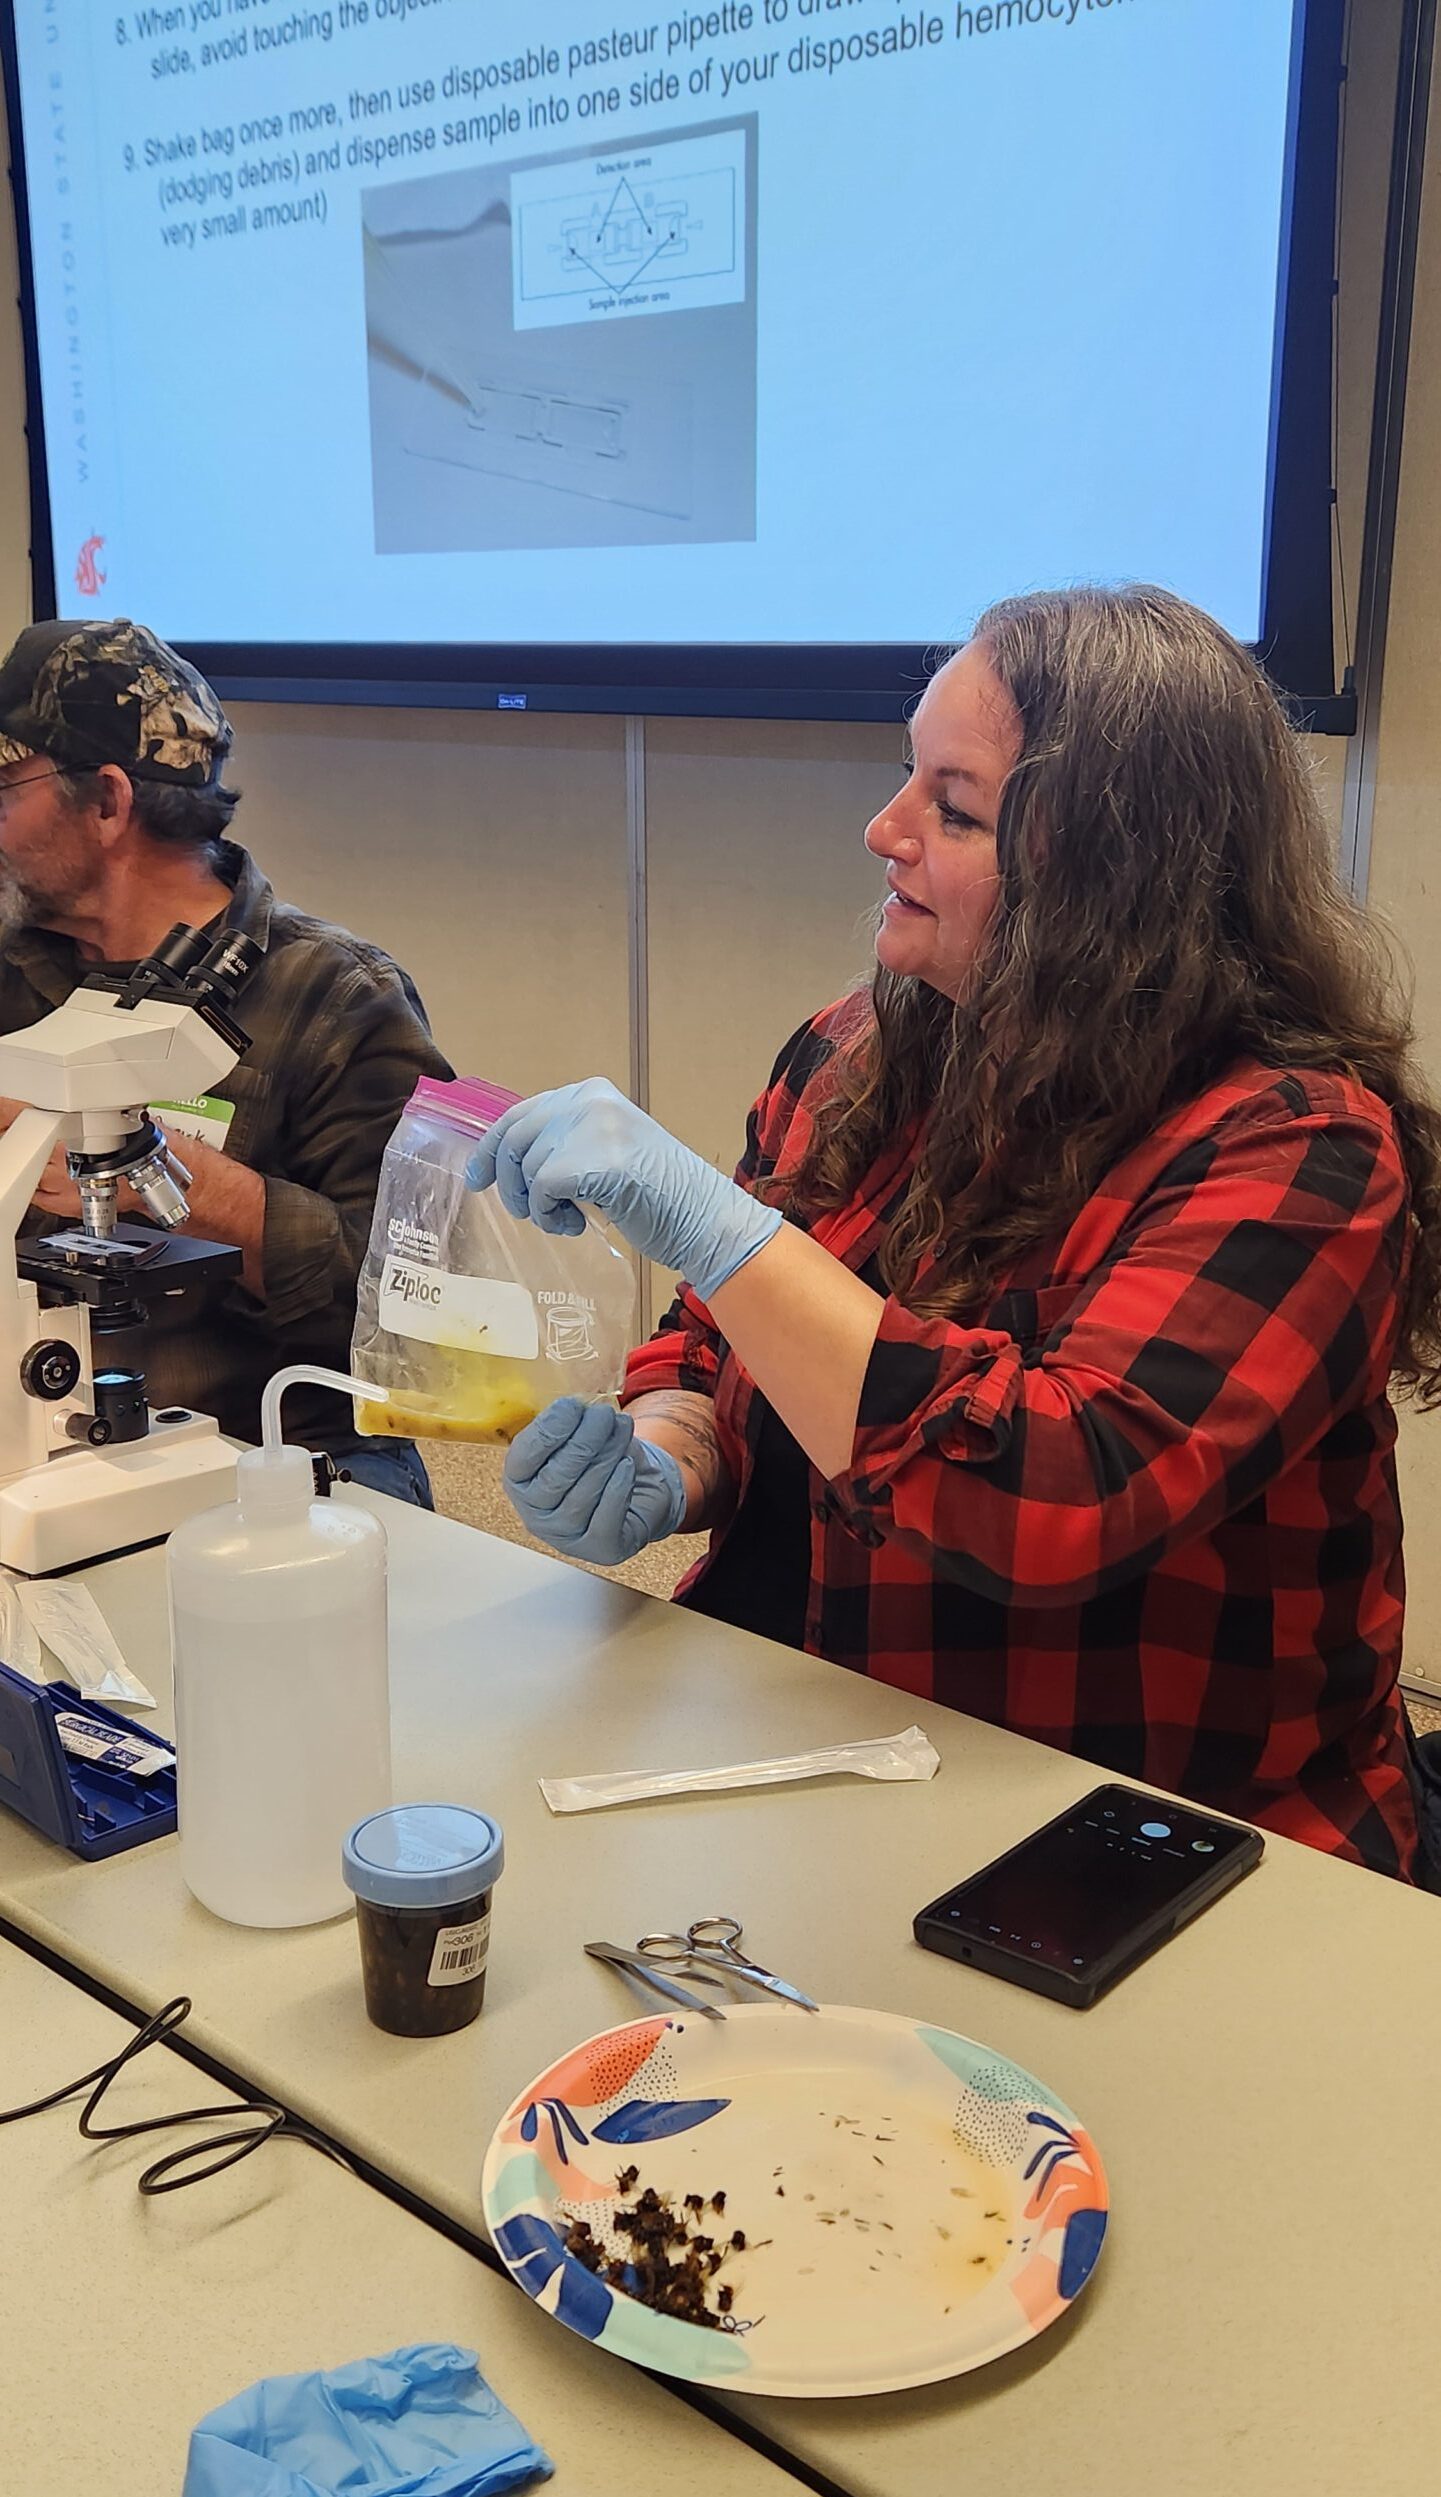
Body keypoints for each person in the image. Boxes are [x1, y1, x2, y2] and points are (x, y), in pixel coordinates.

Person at [469, 585, 1441, 1882]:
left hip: (1148, 1830)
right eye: (902, 780)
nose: (882, 831)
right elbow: (713, 1342)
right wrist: (670, 1451)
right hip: (839, 1738)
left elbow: (1059, 1495)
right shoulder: (848, 1053)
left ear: (1113, 874)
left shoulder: (1297, 1149)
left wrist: (712, 1226)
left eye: (954, 808)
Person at [0, 617, 448, 1501]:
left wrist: (182, 1187)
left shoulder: (337, 998)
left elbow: (421, 1319)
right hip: (30, 1434)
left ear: (107, 802)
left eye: (4, 789)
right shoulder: (15, 965)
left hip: (275, 1451)